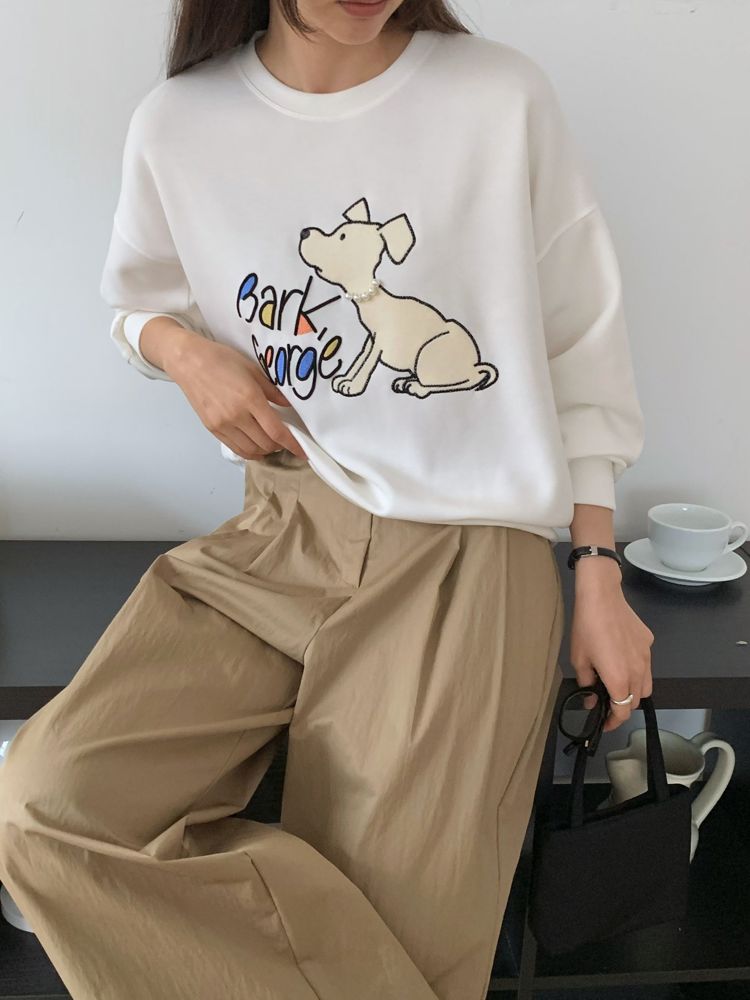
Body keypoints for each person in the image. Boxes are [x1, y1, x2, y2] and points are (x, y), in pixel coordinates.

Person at [0, 1, 655, 998]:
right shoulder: (181, 123)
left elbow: (581, 341)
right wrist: (184, 354)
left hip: (467, 552)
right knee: (44, 811)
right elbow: (137, 302)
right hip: (277, 532)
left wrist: (598, 571)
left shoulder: (497, 95)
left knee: (406, 927)